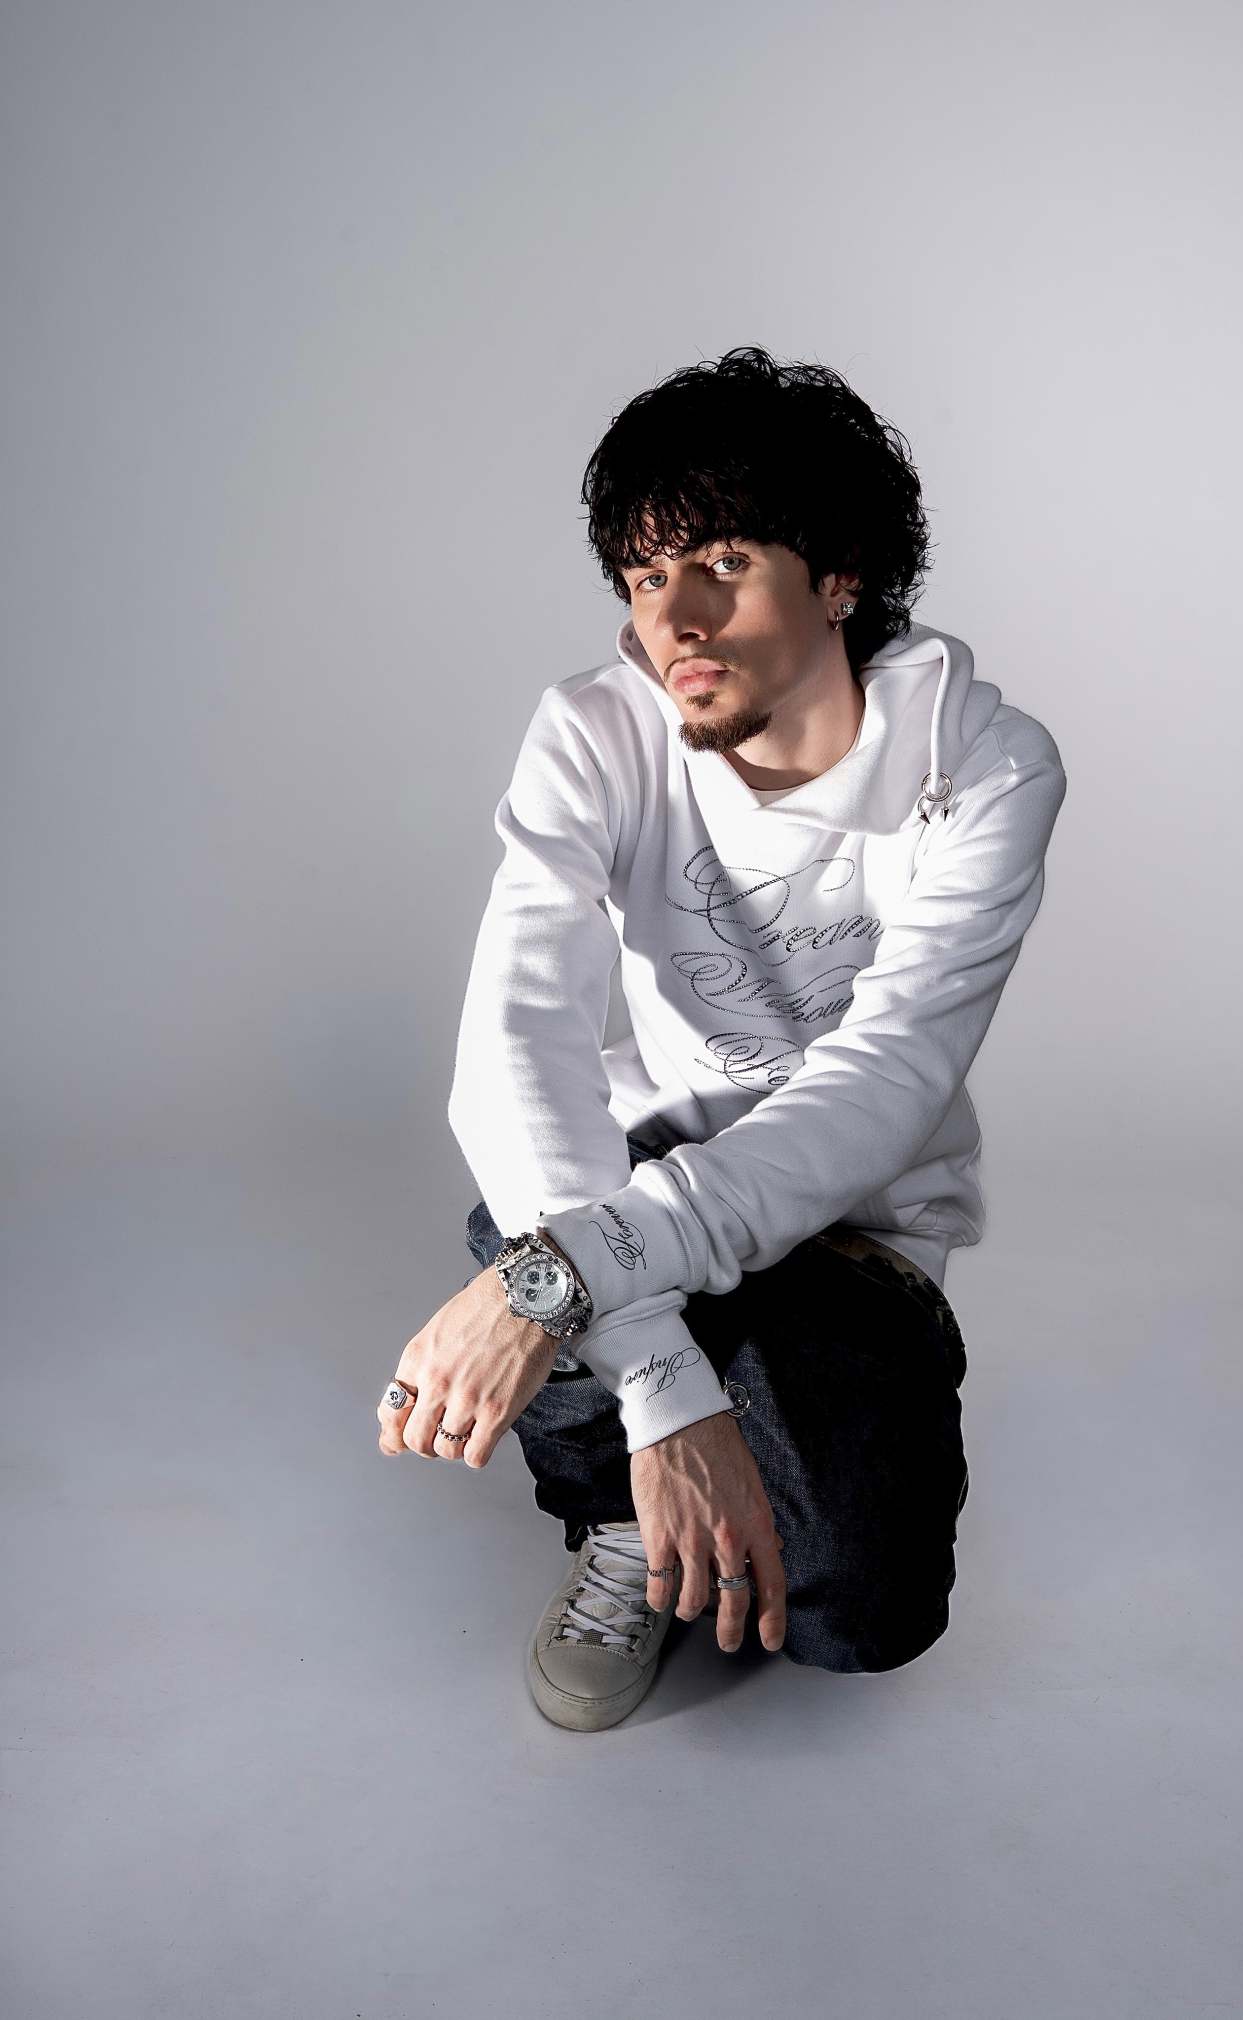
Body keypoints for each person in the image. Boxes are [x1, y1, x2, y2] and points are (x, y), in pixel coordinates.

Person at [377, 344, 1068, 1731]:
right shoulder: (595, 733)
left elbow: (883, 1082)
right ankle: (621, 1508)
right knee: (529, 1206)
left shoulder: (984, 768)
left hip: (850, 1236)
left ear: (840, 574)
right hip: (634, 1174)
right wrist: (661, 1386)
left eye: (723, 564)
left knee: (858, 1619)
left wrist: (560, 1281)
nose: (674, 620)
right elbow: (517, 1031)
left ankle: (675, 1385)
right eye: (644, 578)